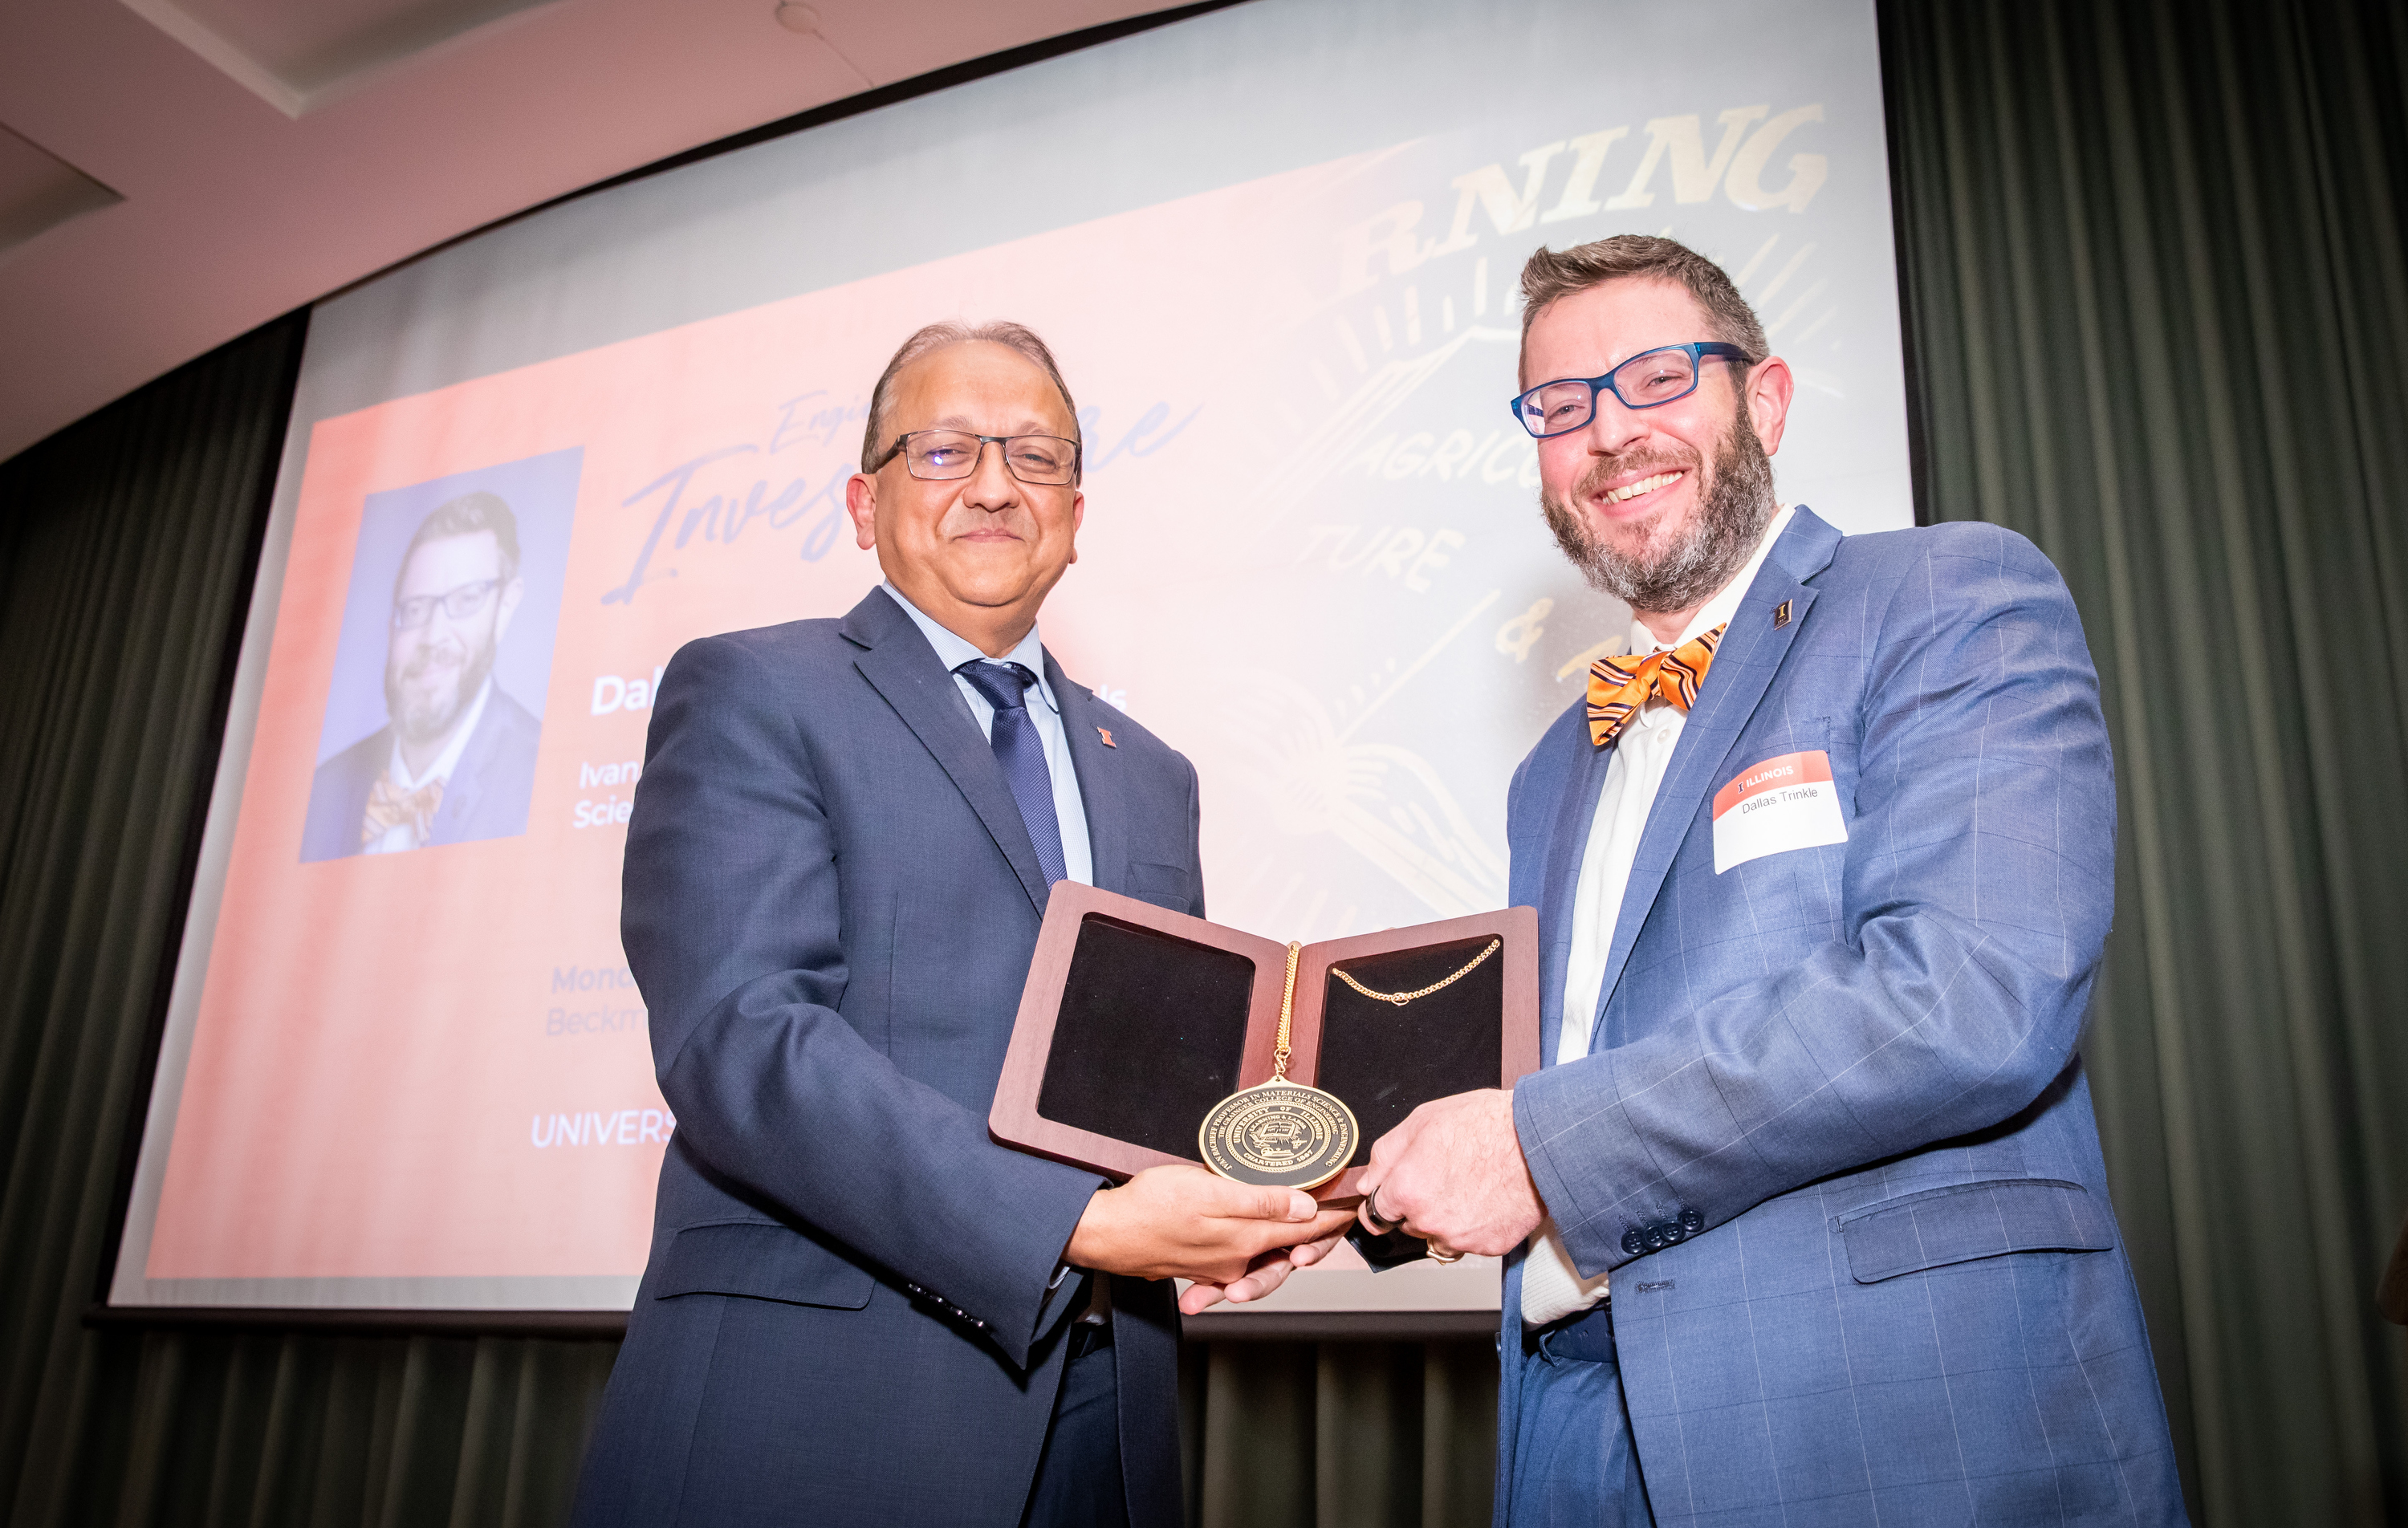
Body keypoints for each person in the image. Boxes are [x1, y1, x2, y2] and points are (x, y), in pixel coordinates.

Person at [1355, 237, 2188, 1525]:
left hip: (1885, 1422)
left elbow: (1970, 994)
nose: (1611, 435)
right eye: (1561, 407)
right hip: (1568, 1428)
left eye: (1656, 377)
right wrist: (1345, 1188)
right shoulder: (1546, 774)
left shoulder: (1950, 595)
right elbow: (1566, 1070)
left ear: (1769, 398)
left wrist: (1533, 1143)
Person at [571, 320, 1352, 1528]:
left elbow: (1157, 1080)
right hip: (818, 1411)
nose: (994, 484)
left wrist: (1258, 1201)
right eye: (943, 451)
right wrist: (1075, 1224)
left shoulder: (1153, 773)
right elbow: (742, 1038)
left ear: (1077, 514)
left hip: (1109, 1412)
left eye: (1035, 457)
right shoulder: (751, 688)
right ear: (861, 499)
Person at [299, 490, 542, 860]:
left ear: (505, 605)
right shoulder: (322, 790)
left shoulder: (540, 775)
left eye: (465, 601)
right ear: (390, 626)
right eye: (415, 609)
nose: (433, 636)